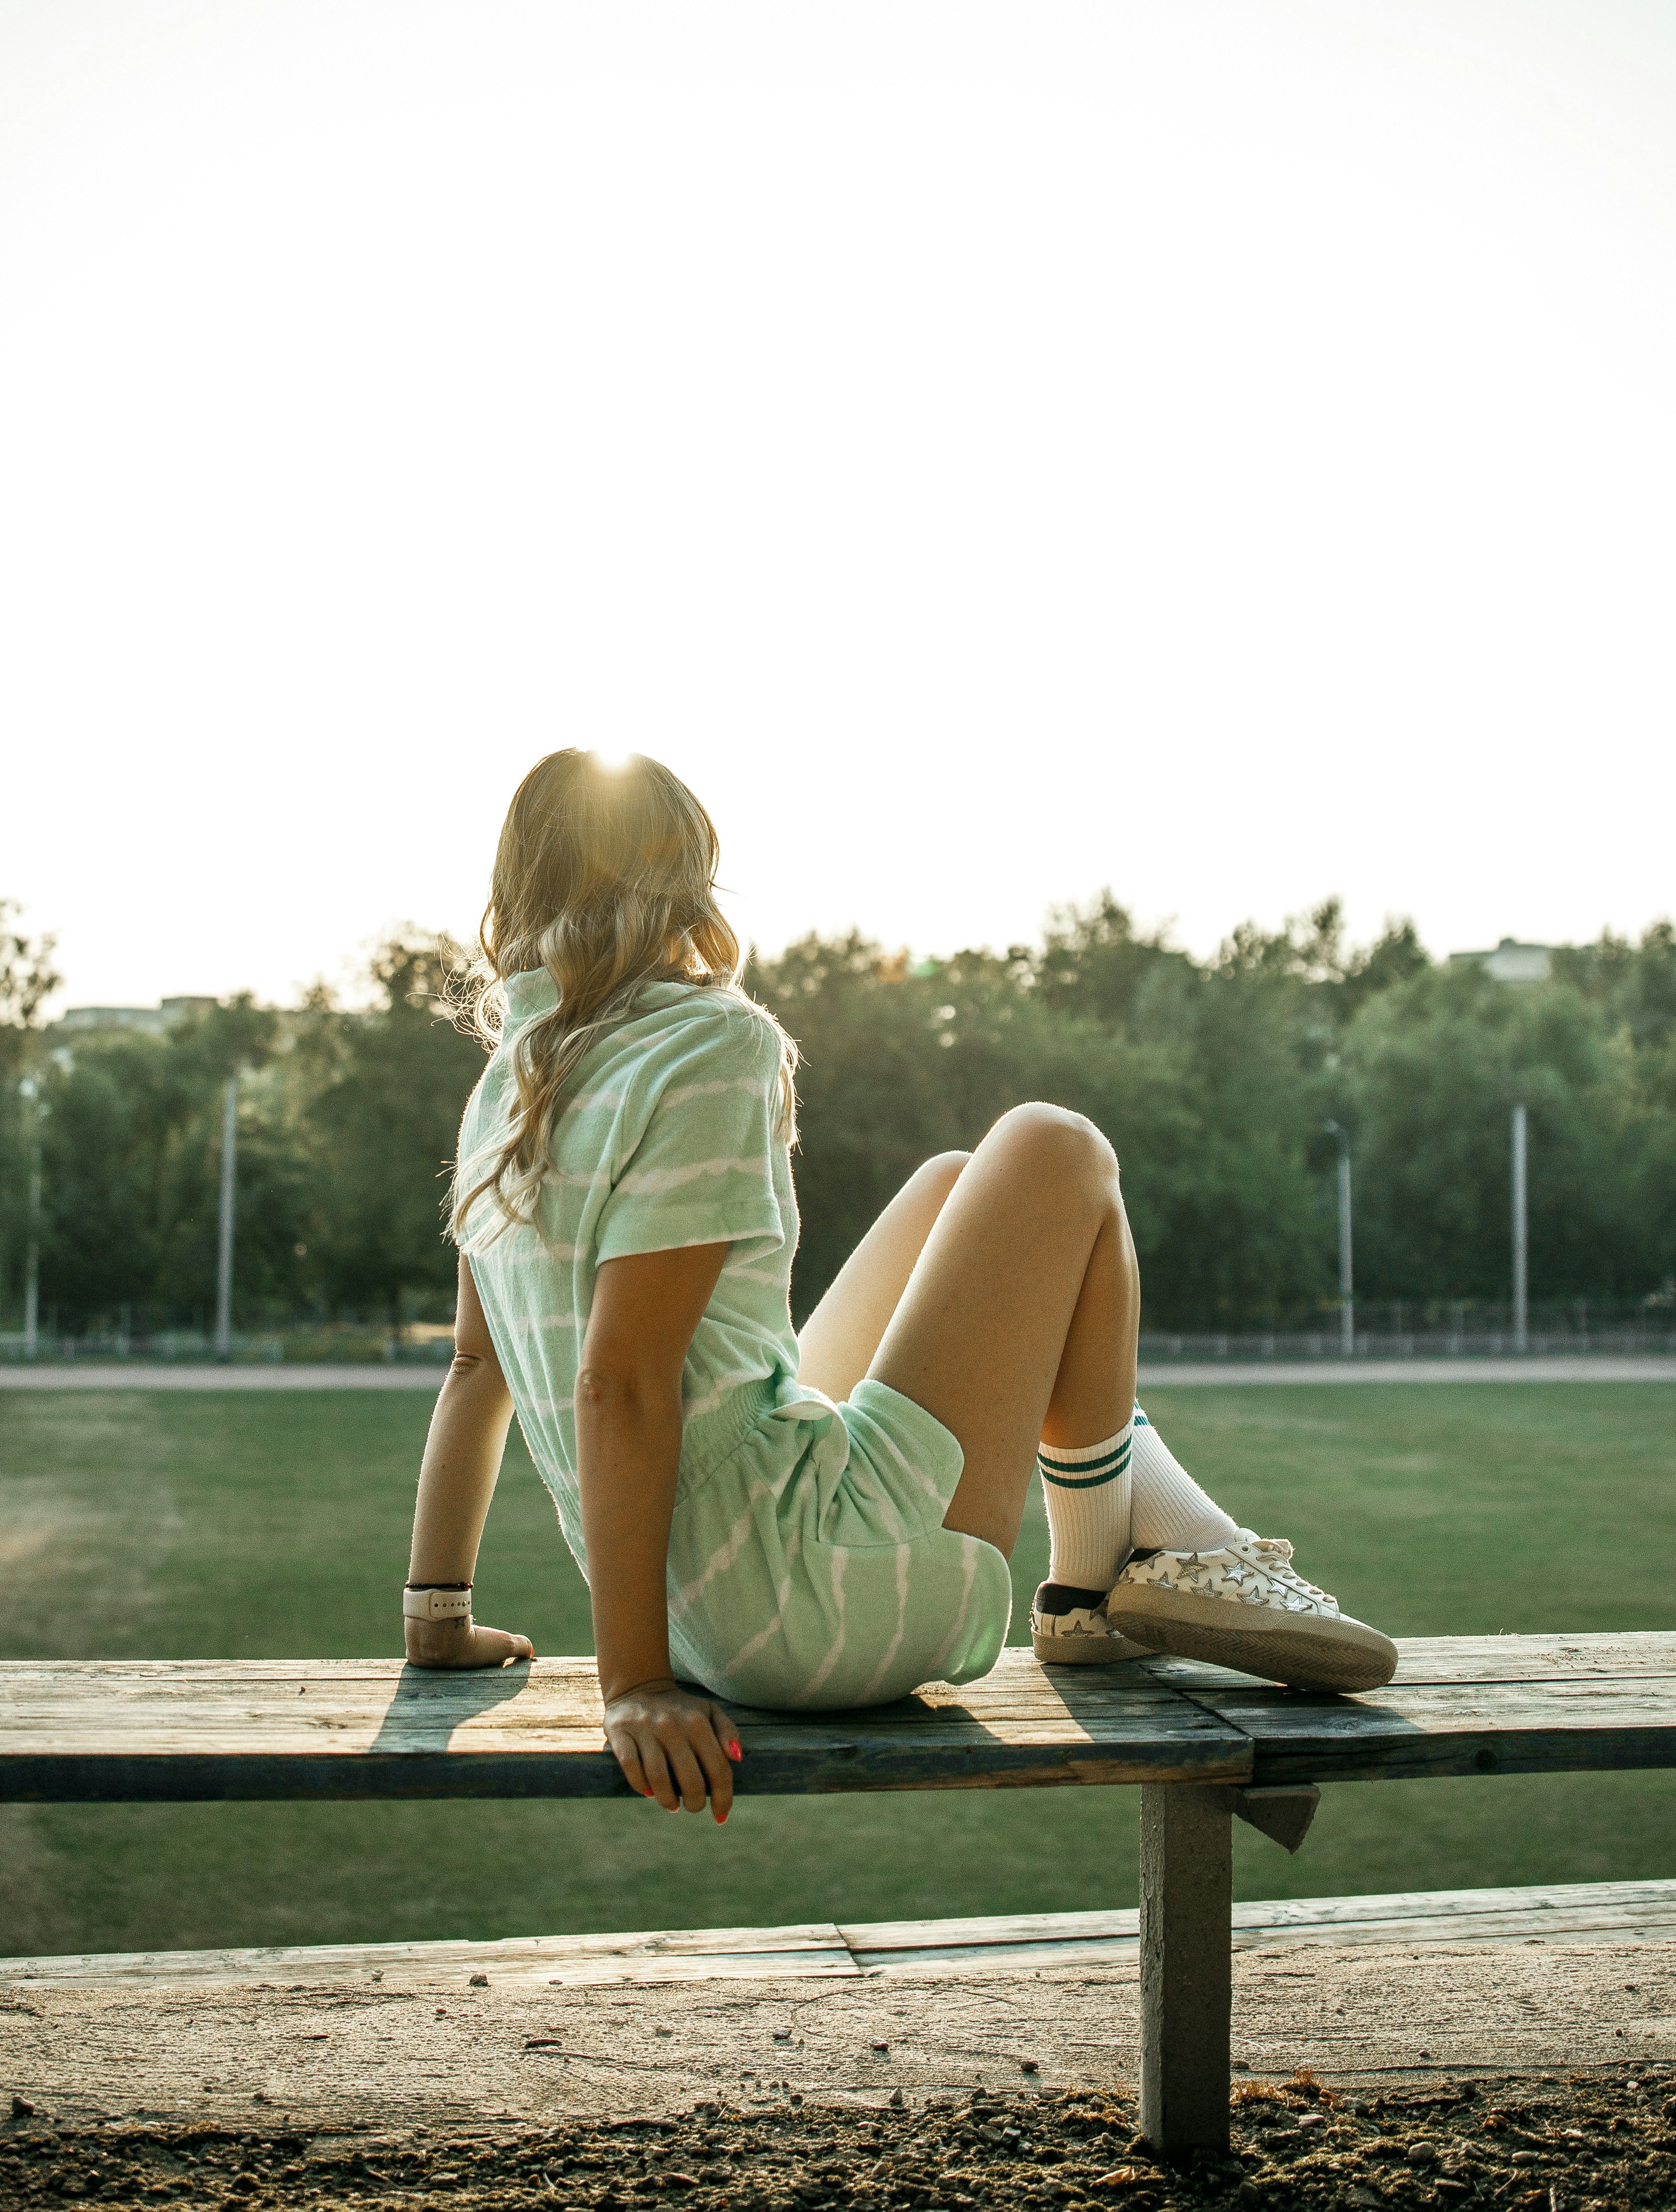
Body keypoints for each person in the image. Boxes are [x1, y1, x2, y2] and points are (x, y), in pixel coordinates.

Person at [403, 750, 1397, 1824]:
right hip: (811, 1602)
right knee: (1054, 1147)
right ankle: (1109, 1564)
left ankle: (1122, 1557)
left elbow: (473, 1367)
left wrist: (437, 1620)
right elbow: (621, 1383)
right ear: (683, 879)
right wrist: (633, 1687)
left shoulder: (504, 1092)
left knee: (952, 1187)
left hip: (708, 1614)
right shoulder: (708, 1042)